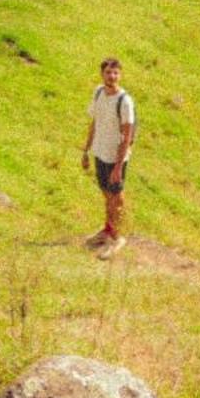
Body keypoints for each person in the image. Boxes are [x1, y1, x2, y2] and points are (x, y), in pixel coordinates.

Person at [82, 56, 135, 256]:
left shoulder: (125, 101)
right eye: (108, 72)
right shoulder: (98, 93)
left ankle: (117, 237)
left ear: (120, 75)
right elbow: (95, 122)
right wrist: (86, 150)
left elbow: (127, 135)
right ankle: (108, 230)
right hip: (100, 151)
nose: (112, 76)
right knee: (106, 194)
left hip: (116, 156)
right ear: (102, 74)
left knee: (117, 198)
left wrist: (118, 167)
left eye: (116, 73)